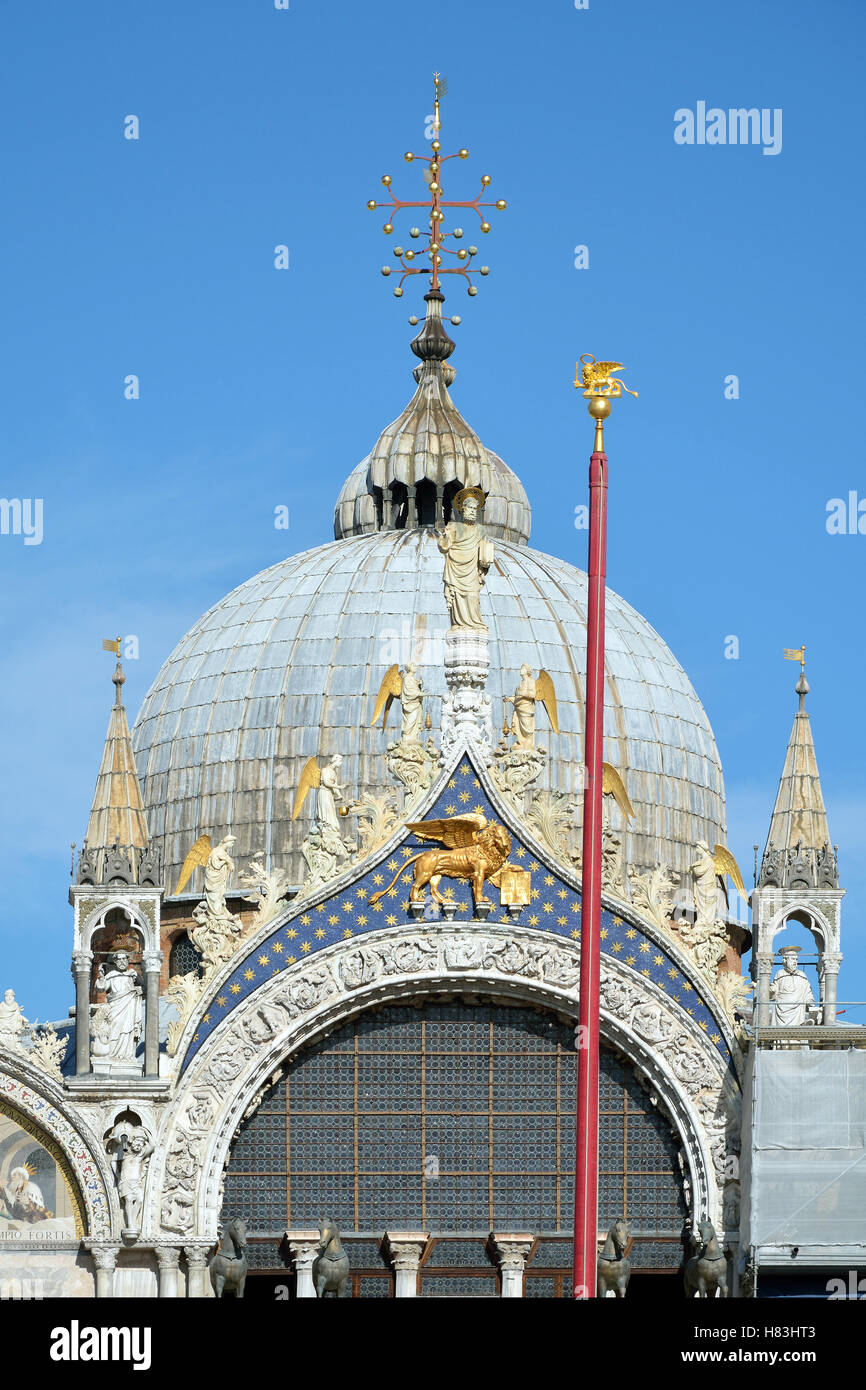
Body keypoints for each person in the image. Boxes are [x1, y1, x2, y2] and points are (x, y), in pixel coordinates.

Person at [435, 488, 493, 631]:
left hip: (472, 570)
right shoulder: (454, 527)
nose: (473, 511)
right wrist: (445, 537)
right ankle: (460, 623)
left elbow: (485, 549)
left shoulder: (480, 530)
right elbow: (444, 546)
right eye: (469, 508)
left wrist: (486, 556)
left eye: (475, 509)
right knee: (457, 598)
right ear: (462, 510)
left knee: (472, 597)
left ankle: (473, 622)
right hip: (456, 571)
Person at [769, 946, 816, 1026]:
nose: (795, 962)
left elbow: (807, 992)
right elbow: (773, 991)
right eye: (793, 959)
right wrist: (764, 988)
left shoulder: (802, 976)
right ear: (785, 960)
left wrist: (810, 1001)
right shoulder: (780, 974)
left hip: (797, 1012)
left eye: (796, 959)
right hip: (781, 1012)